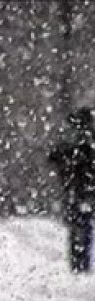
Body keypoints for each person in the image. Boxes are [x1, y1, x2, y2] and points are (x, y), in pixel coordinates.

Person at [49, 107, 95, 273]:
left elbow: (55, 156)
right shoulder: (81, 141)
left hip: (76, 187)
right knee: (82, 225)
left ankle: (79, 262)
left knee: (78, 225)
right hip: (81, 187)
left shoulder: (72, 140)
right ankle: (80, 262)